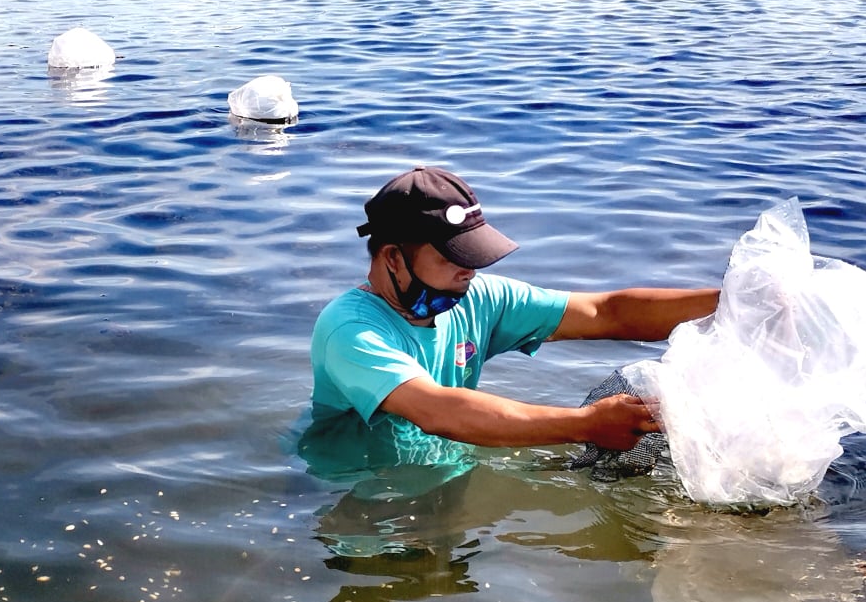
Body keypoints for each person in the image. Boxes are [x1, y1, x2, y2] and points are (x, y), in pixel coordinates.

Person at [308, 167, 718, 460]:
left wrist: (735, 302)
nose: (470, 270)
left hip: (448, 470)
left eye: (473, 256)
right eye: (453, 258)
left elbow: (605, 311)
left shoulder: (477, 296)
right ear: (394, 259)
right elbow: (438, 411)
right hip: (360, 493)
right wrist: (586, 424)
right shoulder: (350, 330)